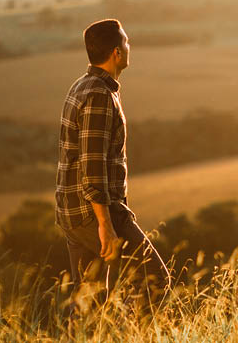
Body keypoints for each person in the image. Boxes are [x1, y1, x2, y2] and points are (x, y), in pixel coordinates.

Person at [55, 19, 171, 304]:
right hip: (93, 213)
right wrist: (105, 224)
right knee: (154, 281)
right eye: (127, 42)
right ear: (117, 53)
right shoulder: (98, 95)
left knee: (88, 304)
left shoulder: (83, 85)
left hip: (73, 212)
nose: (130, 47)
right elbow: (92, 165)